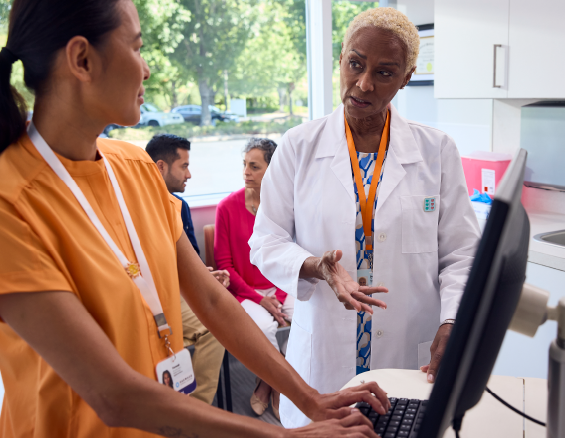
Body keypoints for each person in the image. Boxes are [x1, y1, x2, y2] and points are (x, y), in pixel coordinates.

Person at [0, 1, 390, 437]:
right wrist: (282, 435)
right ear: (82, 59)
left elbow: (210, 302)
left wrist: (309, 399)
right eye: (136, 47)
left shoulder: (132, 167)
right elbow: (112, 395)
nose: (146, 70)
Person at [249, 7, 480, 428]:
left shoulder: (436, 152)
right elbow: (265, 240)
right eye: (355, 64)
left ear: (407, 77)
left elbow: (462, 253)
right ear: (340, 58)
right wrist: (317, 267)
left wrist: (452, 320)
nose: (364, 84)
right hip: (324, 359)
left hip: (407, 353)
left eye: (385, 72)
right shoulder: (299, 146)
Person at [146, 133, 228, 405]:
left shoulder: (179, 206)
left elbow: (189, 260)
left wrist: (206, 274)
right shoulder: (133, 208)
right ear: (160, 167)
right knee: (213, 328)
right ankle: (197, 410)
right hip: (150, 291)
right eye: (184, 166)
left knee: (218, 322)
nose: (189, 174)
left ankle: (195, 409)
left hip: (177, 287)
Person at [214, 138, 293, 420]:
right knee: (265, 327)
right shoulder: (226, 208)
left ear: (272, 170)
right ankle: (283, 386)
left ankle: (265, 383)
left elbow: (291, 257)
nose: (246, 172)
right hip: (245, 293)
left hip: (283, 287)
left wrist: (279, 299)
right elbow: (225, 266)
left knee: (313, 312)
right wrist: (262, 299)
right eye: (245, 165)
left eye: (254, 166)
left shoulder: (285, 205)